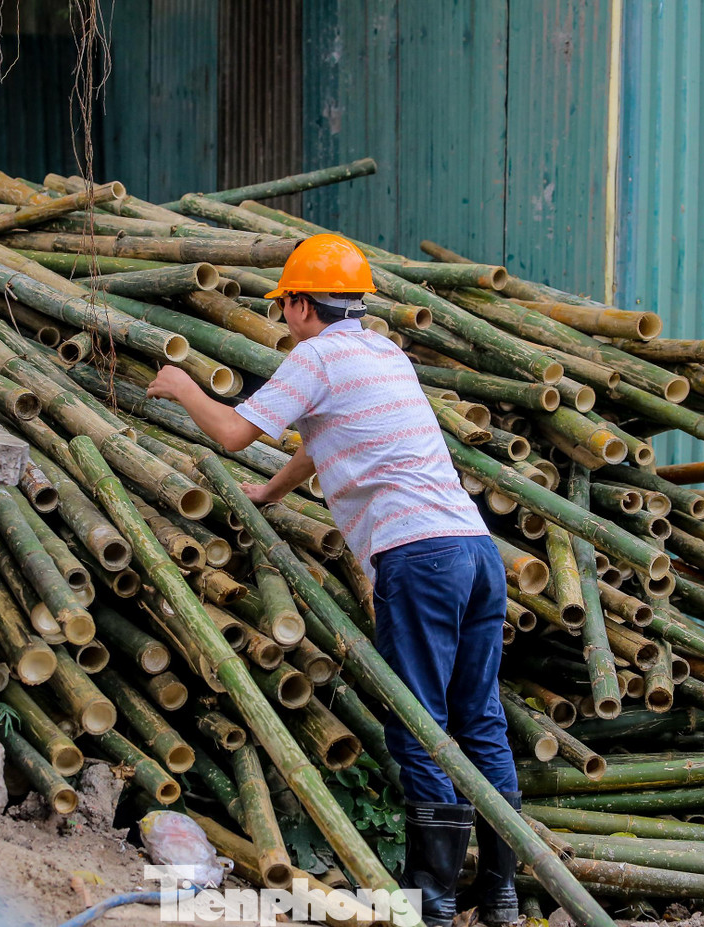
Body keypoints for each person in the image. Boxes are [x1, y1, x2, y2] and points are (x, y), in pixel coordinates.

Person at [146, 234, 521, 927]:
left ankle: (434, 903)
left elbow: (233, 433)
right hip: (475, 551)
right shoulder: (384, 352)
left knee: (420, 725)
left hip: (418, 557)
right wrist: (271, 492)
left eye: (283, 303)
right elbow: (326, 437)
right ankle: (501, 892)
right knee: (480, 720)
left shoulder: (314, 357)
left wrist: (182, 386)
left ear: (298, 304)